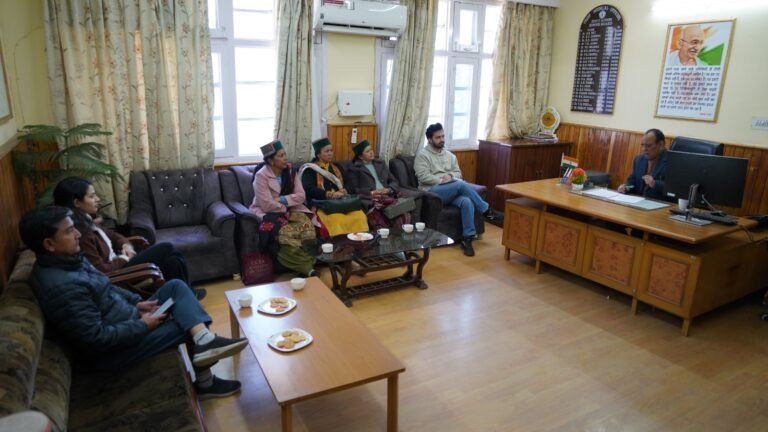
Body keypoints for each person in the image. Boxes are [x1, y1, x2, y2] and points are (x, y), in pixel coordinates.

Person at [19, 206, 248, 399]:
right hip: (116, 352)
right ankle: (206, 381)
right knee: (187, 322)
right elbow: (97, 339)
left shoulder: (69, 261)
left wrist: (137, 304)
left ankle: (204, 340)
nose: (78, 234)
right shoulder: (62, 287)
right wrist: (143, 325)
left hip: (127, 318)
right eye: (70, 231)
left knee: (176, 287)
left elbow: (107, 287)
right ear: (49, 244)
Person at [52, 177, 205, 300]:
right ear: (77, 203)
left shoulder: (86, 219)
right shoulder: (81, 234)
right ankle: (185, 295)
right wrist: (124, 258)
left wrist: (126, 245)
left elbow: (114, 236)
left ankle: (184, 295)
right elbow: (101, 271)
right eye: (92, 196)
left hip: (122, 262)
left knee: (174, 260)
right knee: (166, 248)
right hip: (119, 274)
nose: (97, 199)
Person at [414, 123, 494, 257]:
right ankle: (486, 210)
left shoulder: (450, 156)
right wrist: (442, 180)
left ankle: (467, 239)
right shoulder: (422, 155)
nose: (442, 139)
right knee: (460, 185)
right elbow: (423, 176)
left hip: (450, 190)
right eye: (438, 137)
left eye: (443, 136)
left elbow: (458, 173)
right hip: (432, 191)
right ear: (429, 140)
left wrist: (451, 177)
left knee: (466, 201)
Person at [249, 140, 317, 277]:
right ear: (271, 161)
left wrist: (281, 199)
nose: (286, 158)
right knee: (285, 235)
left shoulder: (290, 171)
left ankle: (309, 263)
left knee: (307, 228)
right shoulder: (261, 176)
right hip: (269, 212)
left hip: (291, 209)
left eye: (285, 154)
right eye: (281, 155)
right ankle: (307, 268)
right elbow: (266, 205)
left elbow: (301, 196)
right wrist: (286, 206)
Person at [300, 137, 369, 237]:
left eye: (331, 150)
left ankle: (360, 242)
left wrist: (344, 190)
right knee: (336, 220)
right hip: (323, 205)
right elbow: (309, 188)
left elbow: (350, 183)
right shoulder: (310, 169)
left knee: (360, 217)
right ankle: (340, 245)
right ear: (318, 154)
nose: (330, 153)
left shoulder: (337, 166)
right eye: (326, 151)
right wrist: (330, 194)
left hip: (342, 202)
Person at [345, 140, 413, 229]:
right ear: (360, 156)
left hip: (387, 196)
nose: (371, 152)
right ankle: (384, 236)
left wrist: (389, 189)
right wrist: (371, 192)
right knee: (379, 218)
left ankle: (401, 236)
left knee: (403, 215)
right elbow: (353, 189)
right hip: (371, 199)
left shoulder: (380, 163)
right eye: (367, 151)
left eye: (371, 150)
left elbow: (394, 181)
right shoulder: (354, 168)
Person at [618, 128, 668, 200]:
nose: (644, 149)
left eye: (648, 145)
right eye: (642, 145)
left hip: (660, 204)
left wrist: (655, 184)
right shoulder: (639, 160)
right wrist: (626, 187)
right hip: (637, 202)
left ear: (661, 145)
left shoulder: (672, 162)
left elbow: (676, 189)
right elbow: (632, 182)